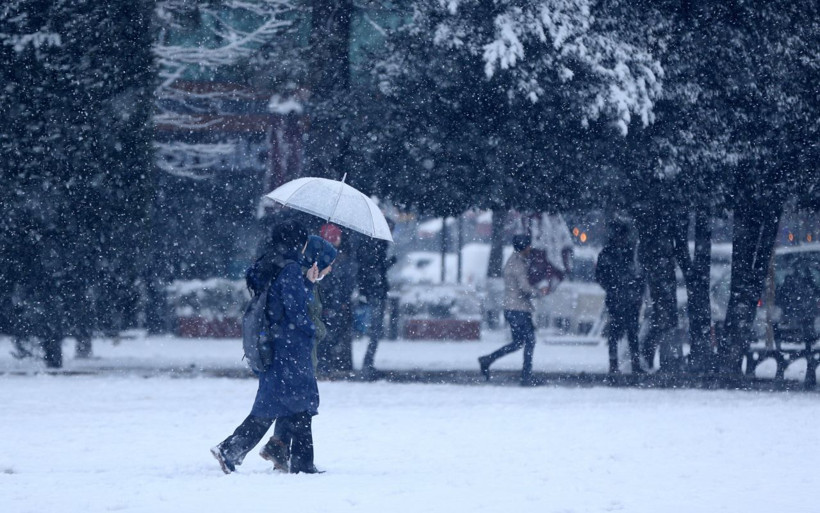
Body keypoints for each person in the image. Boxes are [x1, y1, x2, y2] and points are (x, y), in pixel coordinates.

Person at [211, 221, 325, 475]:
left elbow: (278, 302)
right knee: (299, 404)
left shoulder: (272, 264)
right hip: (291, 348)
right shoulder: (291, 268)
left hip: (274, 346)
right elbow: (296, 312)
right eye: (304, 241)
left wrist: (306, 281)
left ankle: (235, 450)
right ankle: (300, 463)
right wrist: (313, 330)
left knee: (278, 406)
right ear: (297, 242)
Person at [259, 235, 336, 473]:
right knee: (303, 405)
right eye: (329, 262)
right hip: (299, 352)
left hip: (299, 351)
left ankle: (279, 447)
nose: (332, 268)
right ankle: (300, 460)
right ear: (318, 261)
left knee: (293, 403)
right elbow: (306, 319)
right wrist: (320, 331)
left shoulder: (308, 281)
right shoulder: (302, 282)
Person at [478, 234, 549, 386]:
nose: (530, 248)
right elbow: (524, 288)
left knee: (518, 342)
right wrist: (539, 292)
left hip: (514, 308)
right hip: (518, 309)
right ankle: (526, 377)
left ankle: (488, 359)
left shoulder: (516, 260)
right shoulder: (518, 265)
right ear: (523, 247)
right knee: (529, 341)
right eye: (528, 245)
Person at [595, 221, 645, 374]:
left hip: (624, 298)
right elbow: (601, 276)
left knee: (628, 332)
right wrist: (614, 287)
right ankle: (617, 365)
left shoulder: (618, 253)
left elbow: (600, 276)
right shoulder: (615, 253)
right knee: (622, 333)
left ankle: (621, 364)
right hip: (620, 298)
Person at [316, 224, 358, 375]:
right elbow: (342, 282)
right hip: (334, 302)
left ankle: (325, 364)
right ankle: (329, 365)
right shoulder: (338, 258)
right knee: (331, 335)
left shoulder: (323, 255)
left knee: (327, 335)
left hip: (329, 302)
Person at [359, 232, 396, 376]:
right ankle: (367, 364)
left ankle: (368, 363)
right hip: (376, 293)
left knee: (376, 330)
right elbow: (376, 271)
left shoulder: (370, 248)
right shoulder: (375, 249)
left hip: (374, 293)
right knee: (375, 330)